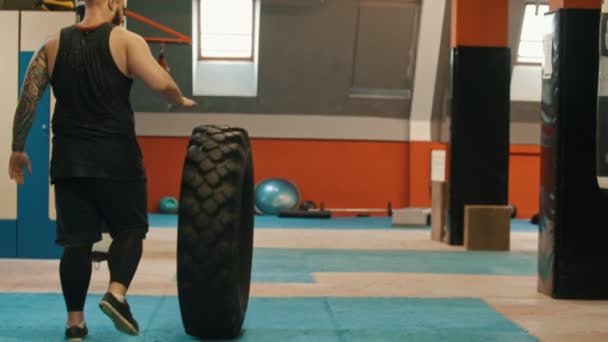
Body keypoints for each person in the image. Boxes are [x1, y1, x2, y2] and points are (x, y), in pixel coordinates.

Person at [8, 0, 197, 339]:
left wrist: (17, 150)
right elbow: (162, 84)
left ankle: (75, 325)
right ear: (113, 2)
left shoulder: (51, 45)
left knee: (76, 244)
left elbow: (27, 100)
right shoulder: (127, 41)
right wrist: (178, 99)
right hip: (116, 159)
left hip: (68, 162)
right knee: (130, 230)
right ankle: (116, 293)